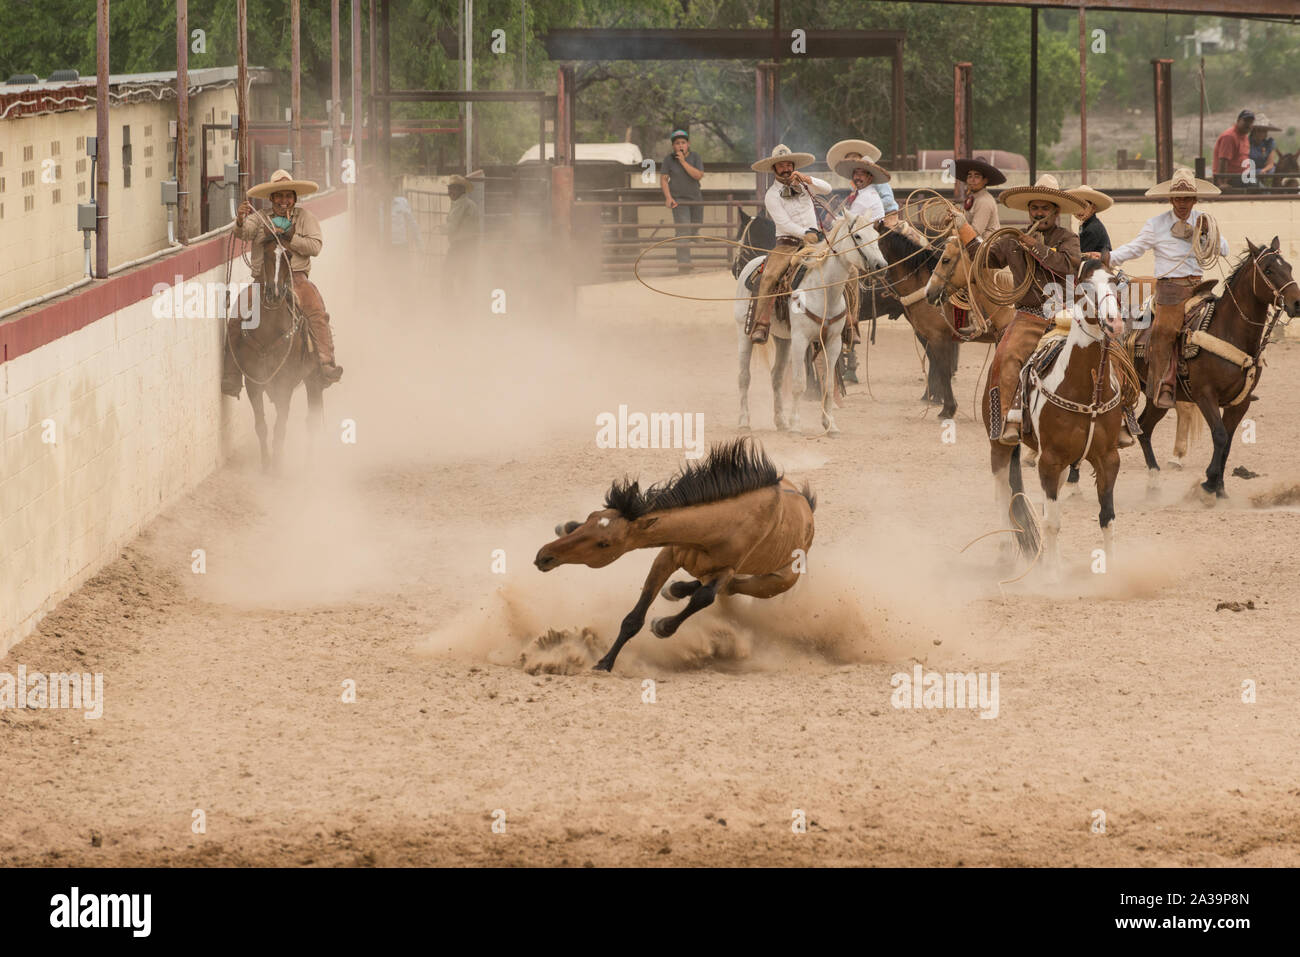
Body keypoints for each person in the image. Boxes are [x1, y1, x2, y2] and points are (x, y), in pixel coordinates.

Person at [1098, 167, 1229, 410]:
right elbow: (1135, 248)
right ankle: (1162, 384)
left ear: (1194, 200)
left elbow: (1224, 249)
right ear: (1170, 199)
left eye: (1187, 198)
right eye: (1178, 198)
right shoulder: (1156, 224)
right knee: (1165, 331)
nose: (1182, 203)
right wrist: (1108, 258)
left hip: (1199, 286)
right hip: (1170, 289)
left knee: (1223, 321)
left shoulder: (1204, 221)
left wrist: (1207, 233)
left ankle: (1232, 379)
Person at [983, 174, 1085, 446]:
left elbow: (1069, 266)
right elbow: (987, 259)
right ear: (1029, 210)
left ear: (1056, 211)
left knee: (1103, 351)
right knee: (1006, 356)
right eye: (1034, 208)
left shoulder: (1068, 238)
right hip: (1028, 315)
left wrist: (1036, 248)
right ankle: (1010, 419)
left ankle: (1120, 417)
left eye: (1045, 208)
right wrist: (963, 231)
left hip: (1064, 314)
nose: (1039, 213)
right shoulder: (1012, 240)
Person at [222, 169, 342, 397]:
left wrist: (289, 238)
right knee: (237, 315)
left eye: (288, 196)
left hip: (296, 278)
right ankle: (232, 375)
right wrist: (239, 220)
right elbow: (243, 233)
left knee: (316, 312)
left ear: (295, 198)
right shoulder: (259, 219)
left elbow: (315, 247)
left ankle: (326, 364)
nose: (283, 201)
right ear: (271, 198)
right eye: (279, 196)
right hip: (262, 280)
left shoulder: (306, 218)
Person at [748, 144, 830, 344]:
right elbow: (783, 223)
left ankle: (850, 321)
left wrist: (808, 179)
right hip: (787, 245)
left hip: (816, 242)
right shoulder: (771, 195)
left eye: (788, 164)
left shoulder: (804, 185)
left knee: (846, 266)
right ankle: (762, 323)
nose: (785, 168)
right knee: (769, 275)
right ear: (774, 169)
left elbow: (827, 189)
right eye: (781, 165)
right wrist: (805, 233)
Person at [661, 129, 705, 272]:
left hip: (696, 199)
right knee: (683, 230)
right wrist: (668, 197)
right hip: (679, 200)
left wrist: (683, 162)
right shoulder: (668, 160)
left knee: (695, 226)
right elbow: (664, 179)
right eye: (677, 143)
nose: (680, 146)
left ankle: (694, 234)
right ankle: (684, 265)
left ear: (688, 144)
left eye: (683, 143)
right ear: (673, 146)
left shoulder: (695, 157)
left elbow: (698, 175)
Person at [828, 139, 900, 226]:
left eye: (854, 160)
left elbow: (889, 199)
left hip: (888, 214)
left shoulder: (878, 181)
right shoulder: (854, 184)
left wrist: (870, 207)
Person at [444, 174, 480, 301]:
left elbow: (452, 226)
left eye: (453, 189)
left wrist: (441, 229)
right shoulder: (469, 204)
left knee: (448, 273)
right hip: (470, 245)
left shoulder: (461, 203)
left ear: (461, 190)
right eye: (450, 189)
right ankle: (467, 301)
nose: (450, 192)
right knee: (466, 274)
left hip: (460, 245)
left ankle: (450, 301)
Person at [953, 157, 1005, 239]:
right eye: (969, 176)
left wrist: (955, 231)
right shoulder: (973, 197)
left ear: (985, 180)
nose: (972, 180)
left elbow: (975, 232)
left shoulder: (984, 201)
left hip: (987, 247)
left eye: (977, 177)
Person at [1212, 109, 1254, 187]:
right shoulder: (1229, 137)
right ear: (1238, 121)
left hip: (1243, 176)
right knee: (1259, 188)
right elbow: (1223, 160)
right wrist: (1222, 183)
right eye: (1246, 121)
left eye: (1251, 122)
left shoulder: (1244, 137)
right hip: (1231, 179)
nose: (1248, 124)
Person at [1066, 185, 1112, 256]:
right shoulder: (1088, 225)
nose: (1079, 211)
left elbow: (1082, 255)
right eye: (1077, 206)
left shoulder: (1092, 228)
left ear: (1093, 207)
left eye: (1084, 206)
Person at [390, 177, 422, 265]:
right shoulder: (378, 205)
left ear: (393, 190)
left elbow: (412, 223)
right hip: (386, 247)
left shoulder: (402, 202)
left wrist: (419, 243)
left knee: (404, 274)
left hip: (401, 245)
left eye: (391, 188)